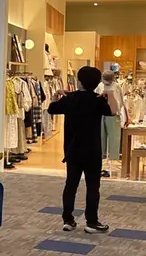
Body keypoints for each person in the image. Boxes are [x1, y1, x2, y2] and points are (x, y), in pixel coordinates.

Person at [48, 66, 117, 233]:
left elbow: (51, 109)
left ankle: (68, 220)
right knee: (93, 186)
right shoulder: (97, 100)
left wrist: (56, 95)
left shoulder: (70, 99)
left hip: (72, 149)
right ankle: (91, 222)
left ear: (79, 81)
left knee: (71, 184)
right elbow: (113, 111)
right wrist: (110, 95)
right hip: (92, 150)